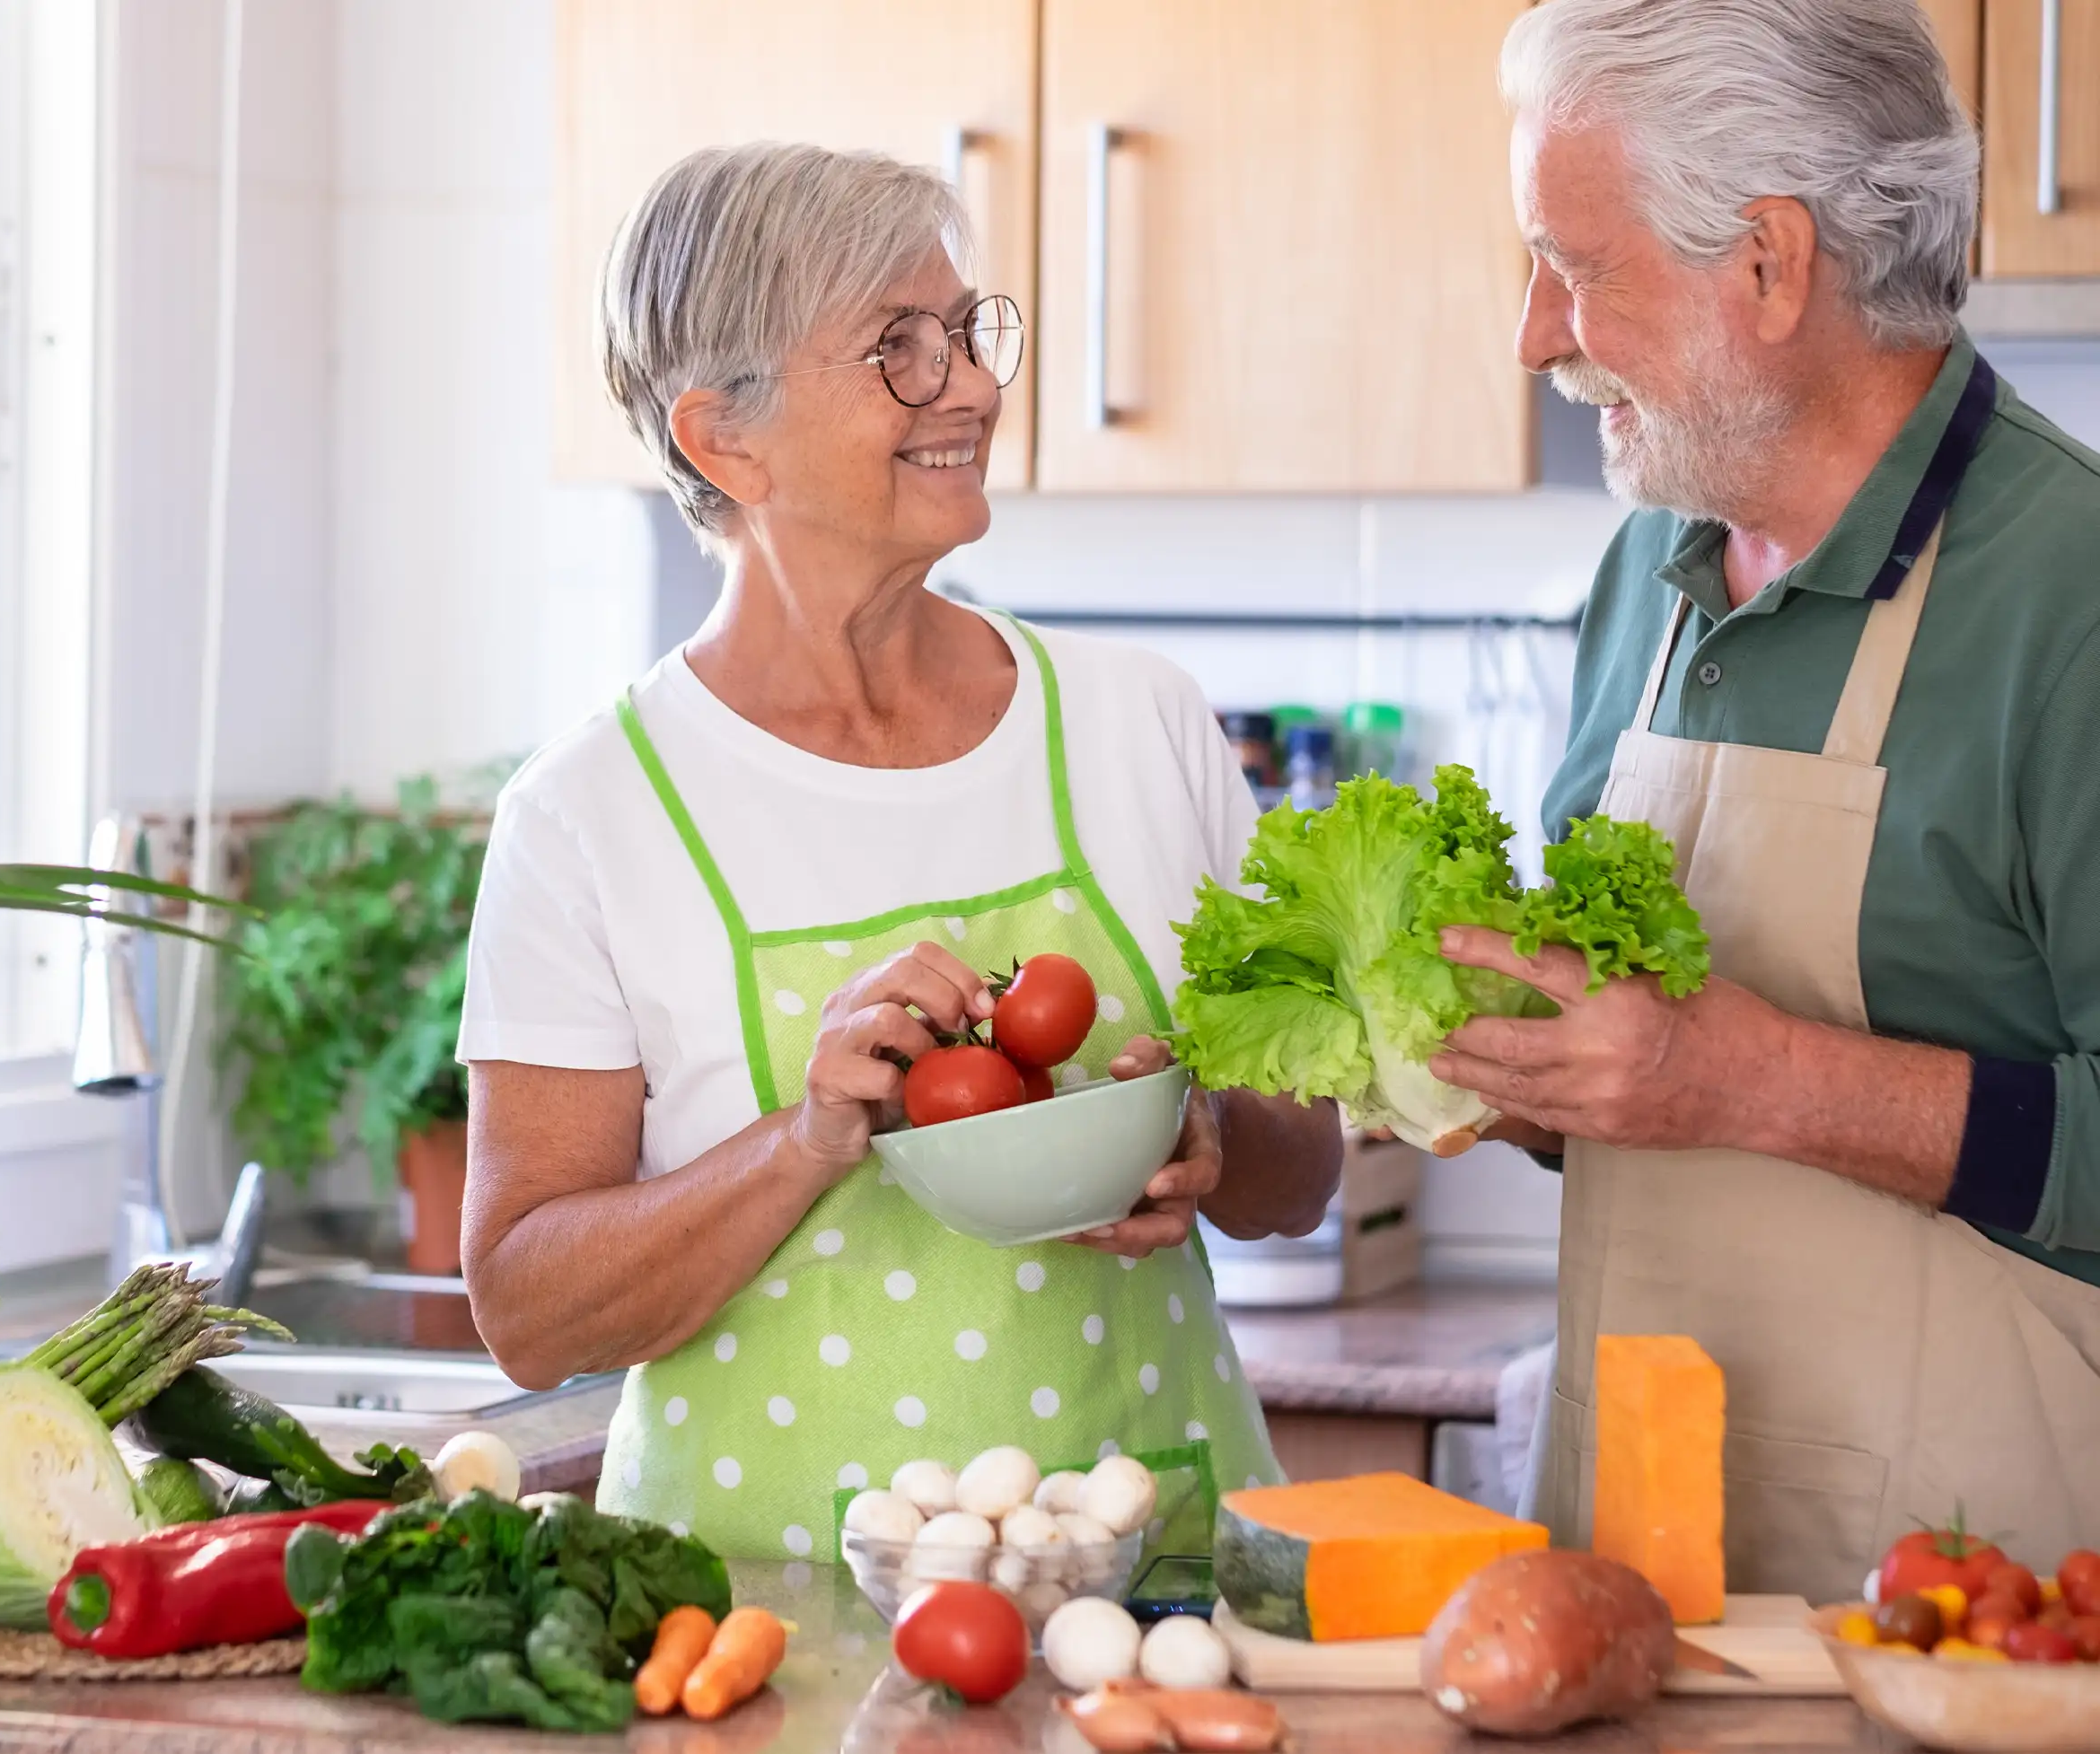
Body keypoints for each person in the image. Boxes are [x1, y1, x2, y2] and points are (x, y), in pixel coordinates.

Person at [454, 143, 1340, 1558]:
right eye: (898, 350)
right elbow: (528, 1305)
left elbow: (1305, 1180)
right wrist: (806, 1141)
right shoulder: (591, 812)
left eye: (969, 330)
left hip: (1155, 1579)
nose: (976, 386)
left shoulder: (1141, 724)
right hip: (762, 1613)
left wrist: (1212, 1141)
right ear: (722, 438)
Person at [1437, 0, 2100, 1601]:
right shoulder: (1644, 570)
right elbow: (1635, 1086)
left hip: (1972, 1610)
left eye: (1574, 265)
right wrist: (1483, 1060)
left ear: (1770, 265)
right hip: (1633, 1576)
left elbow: (1716, 1084)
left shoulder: (2070, 596)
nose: (1535, 334)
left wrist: (1757, 1080)